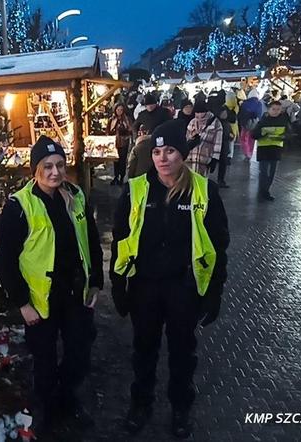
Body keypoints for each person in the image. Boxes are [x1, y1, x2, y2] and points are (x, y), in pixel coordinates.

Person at [110, 120, 229, 439]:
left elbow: (218, 242)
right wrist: (118, 286)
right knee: (144, 350)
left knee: (182, 352)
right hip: (144, 286)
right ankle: (141, 403)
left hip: (183, 287)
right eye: (158, 151)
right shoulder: (136, 189)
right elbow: (120, 238)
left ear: (183, 154)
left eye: (171, 151)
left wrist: (215, 289)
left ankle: (180, 407)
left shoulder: (203, 189)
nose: (162, 158)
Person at [0, 135, 104, 435]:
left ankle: (66, 398)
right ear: (35, 170)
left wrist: (95, 281)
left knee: (79, 355)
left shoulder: (75, 196)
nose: (55, 172)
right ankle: (48, 410)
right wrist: (23, 303)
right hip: (41, 299)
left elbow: (91, 241)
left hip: (74, 294)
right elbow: (5, 259)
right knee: (44, 362)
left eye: (59, 165)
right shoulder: (19, 206)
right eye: (47, 166)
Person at [252, 100, 290, 201]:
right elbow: (254, 134)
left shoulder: (284, 121)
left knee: (272, 173)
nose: (275, 111)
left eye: (278, 109)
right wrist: (263, 135)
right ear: (269, 110)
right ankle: (262, 191)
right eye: (273, 109)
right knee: (264, 172)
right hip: (263, 150)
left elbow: (290, 133)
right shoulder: (263, 121)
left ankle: (266, 191)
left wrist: (283, 137)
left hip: (276, 150)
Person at [185, 101, 222, 177]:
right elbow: (186, 138)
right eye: (197, 115)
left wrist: (215, 159)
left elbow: (218, 143)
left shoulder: (216, 124)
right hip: (190, 159)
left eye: (202, 116)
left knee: (201, 184)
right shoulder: (192, 122)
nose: (199, 118)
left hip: (204, 160)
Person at [108, 103, 133, 185]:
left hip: (124, 142)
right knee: (115, 160)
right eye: (118, 110)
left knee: (122, 160)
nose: (119, 112)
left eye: (121, 110)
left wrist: (125, 131)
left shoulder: (126, 119)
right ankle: (115, 176)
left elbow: (130, 130)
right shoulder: (112, 119)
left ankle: (122, 177)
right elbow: (108, 130)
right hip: (114, 142)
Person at [237, 90, 263, 161]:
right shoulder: (259, 103)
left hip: (245, 124)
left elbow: (240, 114)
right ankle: (250, 153)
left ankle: (246, 153)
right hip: (255, 124)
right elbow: (259, 115)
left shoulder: (244, 103)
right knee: (251, 139)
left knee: (243, 139)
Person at [216, 106, 235, 188]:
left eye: (225, 113)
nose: (224, 114)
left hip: (224, 147)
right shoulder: (216, 123)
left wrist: (231, 136)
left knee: (223, 165)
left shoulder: (227, 123)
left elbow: (231, 134)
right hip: (217, 147)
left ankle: (221, 180)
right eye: (223, 113)